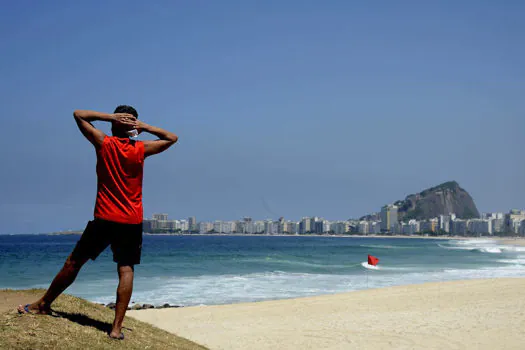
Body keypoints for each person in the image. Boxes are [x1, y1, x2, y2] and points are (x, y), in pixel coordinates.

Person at [18, 105, 178, 340]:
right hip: (131, 220)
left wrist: (110, 117)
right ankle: (116, 329)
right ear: (133, 128)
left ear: (114, 125)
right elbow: (172, 138)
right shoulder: (141, 149)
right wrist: (142, 126)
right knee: (126, 269)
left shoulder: (104, 142)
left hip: (105, 217)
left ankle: (44, 304)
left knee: (74, 262)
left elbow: (77, 114)